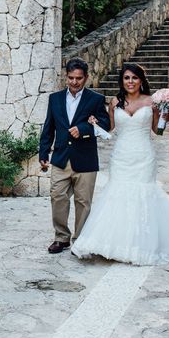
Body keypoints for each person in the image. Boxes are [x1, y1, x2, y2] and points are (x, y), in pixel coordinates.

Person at [71, 63, 169, 265]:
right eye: (127, 78)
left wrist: (165, 116)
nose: (130, 82)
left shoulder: (152, 102)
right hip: (121, 156)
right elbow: (110, 128)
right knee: (117, 193)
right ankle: (114, 242)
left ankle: (141, 244)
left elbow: (158, 131)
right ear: (122, 81)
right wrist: (94, 123)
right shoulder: (114, 102)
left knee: (143, 194)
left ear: (141, 81)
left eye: (134, 78)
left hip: (144, 156)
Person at [39, 58, 111, 254]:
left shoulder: (95, 99)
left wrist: (84, 129)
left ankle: (80, 239)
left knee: (83, 202)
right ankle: (61, 238)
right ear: (66, 77)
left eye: (79, 78)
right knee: (57, 196)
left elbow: (105, 124)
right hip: (61, 157)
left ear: (86, 78)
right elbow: (49, 127)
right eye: (71, 78)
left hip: (85, 159)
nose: (74, 82)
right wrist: (43, 152)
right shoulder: (55, 99)